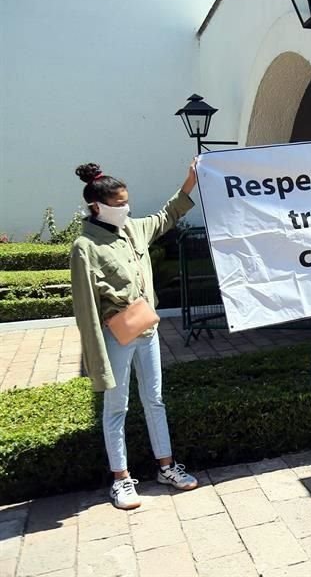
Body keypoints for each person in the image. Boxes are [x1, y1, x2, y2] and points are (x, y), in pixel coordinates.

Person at [70, 160, 200, 510]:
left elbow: (166, 215)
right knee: (117, 407)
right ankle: (121, 480)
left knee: (155, 399)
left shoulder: (132, 229)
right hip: (117, 335)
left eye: (126, 201)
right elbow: (85, 309)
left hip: (148, 328)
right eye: (118, 203)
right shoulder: (85, 247)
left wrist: (189, 181)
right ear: (97, 206)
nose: (125, 208)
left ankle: (167, 467)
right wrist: (95, 359)